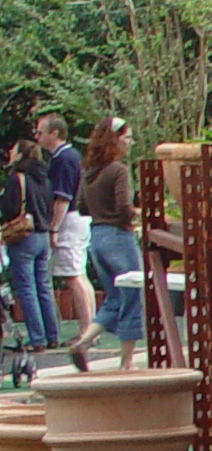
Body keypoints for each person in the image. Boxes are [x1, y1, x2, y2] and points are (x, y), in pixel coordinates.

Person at [68, 117, 142, 369]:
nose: (130, 143)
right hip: (119, 238)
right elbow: (124, 209)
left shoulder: (87, 171)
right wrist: (141, 213)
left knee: (114, 297)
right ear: (115, 139)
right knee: (132, 293)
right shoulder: (118, 170)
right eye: (127, 137)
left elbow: (80, 207)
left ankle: (83, 342)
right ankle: (127, 361)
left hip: (97, 238)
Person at [34, 115, 91, 336]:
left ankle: (86, 329)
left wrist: (53, 228)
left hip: (69, 220)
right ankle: (89, 328)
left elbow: (62, 198)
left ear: (54, 133)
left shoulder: (63, 159)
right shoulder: (70, 156)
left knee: (73, 276)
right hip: (77, 219)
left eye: (41, 132)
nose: (37, 137)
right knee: (79, 274)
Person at [1, 139, 57, 349]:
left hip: (24, 237)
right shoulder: (44, 179)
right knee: (43, 286)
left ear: (21, 155)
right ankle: (52, 335)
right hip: (42, 235)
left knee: (26, 288)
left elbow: (9, 208)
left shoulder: (17, 179)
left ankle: (37, 338)